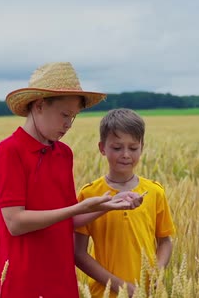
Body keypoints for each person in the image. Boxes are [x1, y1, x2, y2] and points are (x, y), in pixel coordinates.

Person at [0, 62, 142, 298]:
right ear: (40, 105)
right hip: (23, 278)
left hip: (61, 275)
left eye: (73, 117)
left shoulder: (63, 154)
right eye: (64, 115)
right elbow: (15, 222)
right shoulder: (10, 151)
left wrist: (109, 203)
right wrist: (78, 207)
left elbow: (68, 219)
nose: (68, 125)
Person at [75, 108, 176, 297]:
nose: (126, 154)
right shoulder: (89, 194)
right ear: (102, 148)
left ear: (142, 147)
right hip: (104, 293)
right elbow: (78, 253)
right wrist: (120, 286)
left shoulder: (154, 192)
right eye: (117, 147)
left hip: (146, 293)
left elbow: (165, 241)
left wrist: (157, 273)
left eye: (133, 147)